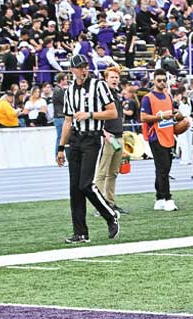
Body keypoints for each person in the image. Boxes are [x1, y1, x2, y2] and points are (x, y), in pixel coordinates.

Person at [56, 54, 120, 244]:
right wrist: (61, 147)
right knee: (74, 189)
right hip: (75, 140)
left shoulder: (98, 86)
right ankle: (80, 233)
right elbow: (67, 121)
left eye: (85, 66)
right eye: (79, 67)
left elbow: (113, 112)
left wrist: (90, 114)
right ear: (72, 70)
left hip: (92, 139)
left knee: (85, 184)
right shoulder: (69, 91)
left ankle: (110, 216)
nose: (83, 70)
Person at [140, 68, 185, 212]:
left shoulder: (168, 96)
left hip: (169, 134)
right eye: (159, 80)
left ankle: (159, 197)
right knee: (163, 169)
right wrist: (161, 117)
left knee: (164, 169)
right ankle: (167, 198)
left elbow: (172, 113)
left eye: (164, 80)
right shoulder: (148, 98)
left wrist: (177, 115)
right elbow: (143, 118)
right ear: (153, 81)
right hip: (156, 136)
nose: (162, 83)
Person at [94, 66, 127, 215]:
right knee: (101, 173)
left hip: (118, 136)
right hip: (108, 138)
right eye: (112, 77)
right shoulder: (102, 97)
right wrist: (104, 133)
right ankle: (100, 206)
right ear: (105, 79)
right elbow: (97, 117)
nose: (115, 80)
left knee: (113, 173)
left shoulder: (116, 95)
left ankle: (110, 203)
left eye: (116, 77)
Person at [53, 73, 68, 155]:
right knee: (61, 137)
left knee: (61, 137)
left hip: (59, 116)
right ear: (61, 80)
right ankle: (58, 155)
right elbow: (65, 102)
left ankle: (59, 155)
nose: (66, 81)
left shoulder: (58, 89)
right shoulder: (59, 91)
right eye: (65, 79)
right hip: (60, 117)